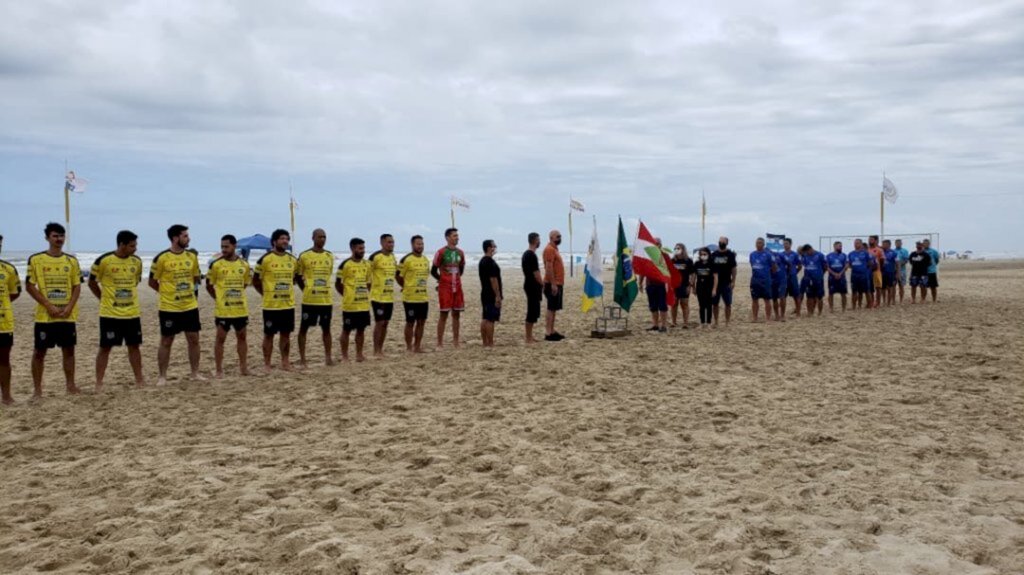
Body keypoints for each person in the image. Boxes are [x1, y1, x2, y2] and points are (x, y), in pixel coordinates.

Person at [25, 223, 82, 397]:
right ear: (47, 238)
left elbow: (77, 286)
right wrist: (48, 305)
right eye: (55, 236)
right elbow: (29, 285)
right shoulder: (36, 259)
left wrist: (69, 307)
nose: (59, 239)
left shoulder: (71, 261)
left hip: (67, 315)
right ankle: (37, 390)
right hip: (45, 317)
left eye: (62, 236)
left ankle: (70, 386)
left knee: (69, 350)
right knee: (40, 352)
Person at [88, 230, 145, 391]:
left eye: (136, 245)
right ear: (122, 245)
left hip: (132, 313)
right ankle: (99, 382)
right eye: (132, 245)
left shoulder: (137, 261)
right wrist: (102, 298)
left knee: (134, 346)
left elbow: (135, 282)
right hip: (110, 314)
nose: (135, 248)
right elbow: (92, 283)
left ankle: (139, 379)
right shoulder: (104, 261)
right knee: (105, 347)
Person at [150, 224, 204, 385]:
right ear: (175, 238)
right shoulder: (162, 258)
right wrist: (167, 293)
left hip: (189, 306)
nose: (188, 238)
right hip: (169, 307)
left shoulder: (191, 257)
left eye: (188, 235)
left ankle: (195, 373)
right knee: (166, 341)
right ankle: (162, 376)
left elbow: (196, 278)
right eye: (185, 236)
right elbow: (152, 282)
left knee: (194, 339)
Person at [206, 234, 252, 378]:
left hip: (240, 309)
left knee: (242, 337)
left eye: (226, 246)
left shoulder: (244, 265)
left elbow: (244, 284)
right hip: (223, 310)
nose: (224, 249)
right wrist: (218, 298)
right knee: (220, 339)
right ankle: (219, 369)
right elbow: (208, 285)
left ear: (234, 246)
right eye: (222, 247)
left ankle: (243, 367)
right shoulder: (216, 265)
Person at [253, 229, 298, 372]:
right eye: (282, 239)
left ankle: (285, 362)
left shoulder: (292, 260)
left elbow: (294, 278)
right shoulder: (265, 259)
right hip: (271, 306)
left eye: (286, 239)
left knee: (286, 334)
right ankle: (267, 363)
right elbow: (255, 280)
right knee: (269, 335)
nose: (285, 241)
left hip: (287, 304)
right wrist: (265, 293)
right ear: (274, 241)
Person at [296, 229, 335, 367]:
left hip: (326, 300)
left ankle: (328, 357)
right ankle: (302, 359)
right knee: (303, 329)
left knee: (326, 329)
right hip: (309, 301)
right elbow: (298, 275)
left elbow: (329, 274)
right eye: (320, 237)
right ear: (313, 238)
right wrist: (306, 288)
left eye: (324, 237)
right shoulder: (305, 256)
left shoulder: (329, 256)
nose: (322, 239)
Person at [336, 237, 371, 361]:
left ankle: (359, 355)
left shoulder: (367, 264)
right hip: (350, 305)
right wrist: (347, 295)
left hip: (363, 304)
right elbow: (338, 284)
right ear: (352, 248)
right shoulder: (345, 264)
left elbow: (368, 283)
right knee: (346, 330)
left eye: (364, 248)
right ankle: (345, 356)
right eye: (360, 248)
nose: (363, 251)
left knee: (361, 330)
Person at [431, 228, 466, 348]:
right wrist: (441, 280)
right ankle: (439, 342)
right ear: (447, 238)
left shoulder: (460, 252)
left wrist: (455, 279)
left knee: (456, 314)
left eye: (457, 235)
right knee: (444, 314)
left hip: (457, 287)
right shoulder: (441, 252)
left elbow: (461, 269)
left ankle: (456, 341)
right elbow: (433, 270)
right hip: (445, 288)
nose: (457, 238)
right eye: (454, 236)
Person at [397, 235, 430, 353]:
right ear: (412, 245)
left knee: (421, 322)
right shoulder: (406, 259)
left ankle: (417, 346)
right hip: (410, 298)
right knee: (410, 322)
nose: (420, 246)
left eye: (422, 244)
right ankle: (409, 347)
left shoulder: (425, 260)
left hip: (423, 297)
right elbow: (398, 276)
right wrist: (405, 286)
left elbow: (426, 276)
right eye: (418, 244)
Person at [0, 234, 22, 404]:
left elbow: (14, 292)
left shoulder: (8, 269)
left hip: (3, 322)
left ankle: (6, 396)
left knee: (4, 359)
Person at [369, 234, 397, 358]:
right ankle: (376, 350)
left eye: (392, 242)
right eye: (389, 242)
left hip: (389, 296)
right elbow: (367, 275)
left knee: (386, 323)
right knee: (379, 322)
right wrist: (372, 291)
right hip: (377, 297)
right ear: (382, 243)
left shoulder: (392, 257)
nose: (391, 244)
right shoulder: (375, 257)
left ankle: (381, 349)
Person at [638, 237, 669, 333]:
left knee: (662, 306)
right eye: (655, 243)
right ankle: (655, 325)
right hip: (650, 285)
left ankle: (663, 326)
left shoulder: (664, 256)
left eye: (658, 243)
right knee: (653, 306)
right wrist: (640, 283)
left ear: (661, 245)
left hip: (661, 285)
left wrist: (668, 285)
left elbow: (669, 271)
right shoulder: (647, 256)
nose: (656, 245)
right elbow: (643, 271)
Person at [542, 229, 566, 341]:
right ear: (551, 237)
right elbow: (549, 267)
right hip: (552, 284)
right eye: (557, 236)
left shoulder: (555, 249)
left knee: (554, 308)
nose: (559, 238)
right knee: (551, 308)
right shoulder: (549, 249)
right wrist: (553, 284)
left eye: (560, 236)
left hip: (558, 283)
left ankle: (552, 330)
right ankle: (548, 332)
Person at [478, 239, 502, 347]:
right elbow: (493, 280)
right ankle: (490, 342)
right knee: (490, 319)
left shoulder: (482, 261)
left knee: (485, 317)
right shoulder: (490, 262)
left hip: (484, 292)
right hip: (491, 293)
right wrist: (497, 295)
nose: (495, 247)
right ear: (489, 248)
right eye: (494, 246)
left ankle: (485, 342)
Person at [521, 232, 544, 343]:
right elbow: (536, 272)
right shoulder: (530, 255)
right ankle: (528, 337)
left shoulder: (527, 254)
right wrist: (542, 283)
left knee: (534, 310)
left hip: (529, 284)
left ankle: (530, 336)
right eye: (539, 240)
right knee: (532, 310)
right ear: (535, 240)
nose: (540, 242)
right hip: (532, 285)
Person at [710, 236, 737, 327]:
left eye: (723, 242)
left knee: (728, 303)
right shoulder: (714, 254)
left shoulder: (730, 254)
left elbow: (734, 269)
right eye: (720, 241)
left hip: (726, 282)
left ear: (726, 243)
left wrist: (733, 281)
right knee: (715, 304)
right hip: (715, 284)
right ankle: (716, 321)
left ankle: (727, 321)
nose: (721, 243)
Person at [749, 237, 775, 322]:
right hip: (755, 280)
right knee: (754, 299)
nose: (758, 244)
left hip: (765, 281)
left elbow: (774, 267)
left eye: (760, 243)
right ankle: (755, 318)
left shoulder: (768, 254)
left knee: (767, 299)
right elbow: (752, 265)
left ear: (763, 244)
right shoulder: (752, 254)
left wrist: (767, 274)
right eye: (757, 243)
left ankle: (768, 318)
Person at [692, 247, 717, 329]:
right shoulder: (697, 264)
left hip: (709, 287)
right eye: (701, 254)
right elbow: (694, 276)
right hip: (700, 287)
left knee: (709, 305)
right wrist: (693, 288)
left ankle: (709, 323)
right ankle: (702, 323)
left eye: (704, 254)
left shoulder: (712, 264)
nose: (703, 255)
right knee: (701, 305)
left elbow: (716, 277)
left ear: (708, 254)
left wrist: (714, 289)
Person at [800, 244, 826, 316]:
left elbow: (825, 266)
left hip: (818, 279)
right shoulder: (805, 256)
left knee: (819, 297)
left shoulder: (820, 255)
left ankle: (819, 313)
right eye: (806, 253)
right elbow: (805, 265)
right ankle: (810, 312)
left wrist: (820, 274)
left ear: (811, 249)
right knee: (809, 296)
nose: (807, 254)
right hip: (808, 279)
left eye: (807, 252)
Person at [670, 243, 693, 328]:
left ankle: (685, 323)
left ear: (683, 249)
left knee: (684, 304)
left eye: (678, 248)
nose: (677, 250)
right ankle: (673, 322)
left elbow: (692, 274)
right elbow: (669, 274)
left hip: (684, 285)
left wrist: (690, 285)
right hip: (674, 286)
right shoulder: (672, 261)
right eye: (675, 248)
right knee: (674, 304)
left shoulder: (688, 261)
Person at [780, 238, 803, 317]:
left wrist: (794, 272)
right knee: (783, 296)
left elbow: (800, 266)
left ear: (790, 244)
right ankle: (782, 314)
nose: (785, 245)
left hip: (792, 277)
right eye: (784, 243)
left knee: (796, 295)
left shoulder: (795, 254)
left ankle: (798, 312)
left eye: (786, 243)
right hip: (783, 278)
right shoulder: (781, 254)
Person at [848, 239, 873, 310]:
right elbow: (849, 264)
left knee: (867, 291)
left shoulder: (866, 253)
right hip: (854, 275)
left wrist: (864, 268)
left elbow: (870, 263)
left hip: (863, 275)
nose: (856, 244)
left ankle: (870, 306)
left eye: (858, 243)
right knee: (854, 291)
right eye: (855, 243)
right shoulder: (851, 254)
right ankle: (854, 306)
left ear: (861, 244)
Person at [826, 241, 849, 312]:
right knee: (831, 293)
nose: (841, 247)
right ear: (835, 246)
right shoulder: (829, 256)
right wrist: (834, 274)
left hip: (842, 277)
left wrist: (840, 273)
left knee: (843, 293)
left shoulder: (844, 255)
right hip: (832, 277)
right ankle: (831, 308)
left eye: (841, 246)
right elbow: (827, 267)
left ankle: (844, 308)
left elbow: (846, 265)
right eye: (839, 246)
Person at [769, 248, 788, 322]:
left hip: (781, 279)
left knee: (782, 297)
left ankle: (782, 315)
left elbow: (789, 264)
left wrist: (786, 274)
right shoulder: (767, 258)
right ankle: (777, 315)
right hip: (772, 280)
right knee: (774, 298)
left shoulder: (780, 255)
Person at [868, 235, 885, 308]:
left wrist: (878, 267)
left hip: (877, 271)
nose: (870, 241)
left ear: (875, 240)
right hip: (868, 271)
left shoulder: (879, 250)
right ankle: (871, 302)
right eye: (869, 239)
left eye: (871, 239)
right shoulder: (867, 250)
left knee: (878, 287)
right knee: (870, 288)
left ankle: (878, 303)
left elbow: (882, 259)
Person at [881, 239, 899, 306]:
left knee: (890, 287)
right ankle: (884, 301)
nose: (883, 245)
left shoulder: (894, 253)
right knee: (883, 288)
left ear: (888, 245)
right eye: (882, 244)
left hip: (890, 272)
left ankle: (889, 302)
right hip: (883, 272)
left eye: (884, 244)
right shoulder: (881, 252)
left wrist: (897, 273)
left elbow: (897, 263)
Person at [923, 238, 940, 302]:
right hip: (924, 272)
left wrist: (932, 266)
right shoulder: (921, 251)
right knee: (923, 287)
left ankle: (934, 299)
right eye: (924, 243)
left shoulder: (934, 251)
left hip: (932, 271)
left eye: (927, 243)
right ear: (923, 244)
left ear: (929, 244)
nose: (926, 244)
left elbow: (936, 260)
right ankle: (923, 299)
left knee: (933, 287)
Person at [893, 238, 910, 303]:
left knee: (901, 286)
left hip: (902, 271)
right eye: (897, 243)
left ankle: (901, 300)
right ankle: (893, 300)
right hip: (894, 271)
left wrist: (899, 265)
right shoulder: (893, 251)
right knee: (893, 286)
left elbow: (906, 260)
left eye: (899, 243)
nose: (898, 244)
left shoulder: (905, 251)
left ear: (901, 243)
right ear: (895, 244)